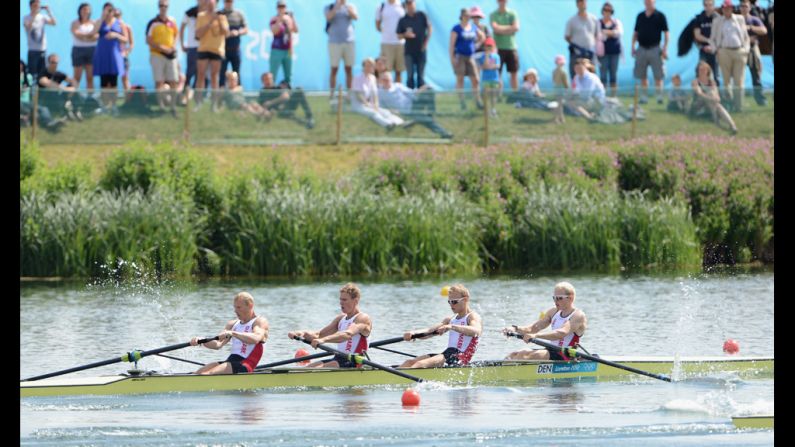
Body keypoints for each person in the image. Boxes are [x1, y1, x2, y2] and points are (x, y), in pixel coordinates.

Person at [287, 283, 372, 368]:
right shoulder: (341, 318)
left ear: (355, 301)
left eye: (344, 300)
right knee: (308, 368)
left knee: (317, 370)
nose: (341, 303)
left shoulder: (363, 318)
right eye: (340, 299)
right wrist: (301, 333)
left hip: (355, 362)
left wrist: (323, 340)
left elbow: (347, 335)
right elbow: (319, 335)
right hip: (338, 358)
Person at [400, 284, 483, 368]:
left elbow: (476, 331)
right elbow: (429, 332)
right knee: (409, 363)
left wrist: (451, 327)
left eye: (454, 301)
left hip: (460, 357)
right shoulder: (450, 319)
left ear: (465, 300)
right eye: (449, 302)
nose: (451, 305)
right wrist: (413, 334)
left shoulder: (472, 317)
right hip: (448, 354)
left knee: (420, 365)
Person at [503, 282, 587, 361]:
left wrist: (536, 335)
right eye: (554, 298)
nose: (555, 301)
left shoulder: (578, 315)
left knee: (524, 354)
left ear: (570, 298)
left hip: (566, 355)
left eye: (559, 298)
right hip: (551, 351)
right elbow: (533, 328)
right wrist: (515, 328)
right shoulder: (553, 312)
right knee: (513, 355)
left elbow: (561, 333)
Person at [189, 292, 269, 375]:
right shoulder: (232, 324)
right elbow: (217, 344)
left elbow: (256, 338)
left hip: (245, 365)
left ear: (250, 305)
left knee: (206, 374)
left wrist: (232, 333)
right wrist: (202, 340)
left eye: (239, 307)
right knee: (196, 374)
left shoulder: (259, 322)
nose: (235, 311)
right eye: (235, 307)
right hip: (231, 362)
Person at [378, 71, 453, 139]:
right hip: (407, 111)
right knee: (426, 120)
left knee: (430, 89)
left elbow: (411, 93)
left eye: (388, 79)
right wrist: (393, 112)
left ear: (391, 79)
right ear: (381, 81)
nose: (386, 81)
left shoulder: (398, 86)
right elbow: (382, 107)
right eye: (384, 80)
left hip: (414, 102)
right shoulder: (380, 92)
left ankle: (430, 114)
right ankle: (444, 133)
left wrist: (422, 89)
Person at [710, 0, 749, 112]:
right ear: (722, 9)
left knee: (739, 81)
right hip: (724, 52)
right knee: (726, 81)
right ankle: (729, 104)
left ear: (732, 8)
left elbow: (746, 37)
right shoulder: (717, 21)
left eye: (729, 8)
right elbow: (712, 39)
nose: (727, 10)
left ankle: (739, 107)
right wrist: (716, 50)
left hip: (739, 51)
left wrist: (745, 50)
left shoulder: (740, 19)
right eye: (725, 8)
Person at [92, 2, 128, 115]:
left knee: (113, 82)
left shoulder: (119, 23)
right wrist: (102, 18)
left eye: (110, 10)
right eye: (106, 10)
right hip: (102, 55)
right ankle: (104, 106)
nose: (108, 13)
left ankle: (113, 106)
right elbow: (93, 32)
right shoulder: (99, 21)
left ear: (114, 11)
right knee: (103, 82)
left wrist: (115, 35)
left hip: (114, 56)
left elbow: (125, 39)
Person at [631, 0, 669, 105]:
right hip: (642, 48)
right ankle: (644, 97)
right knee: (642, 76)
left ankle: (659, 96)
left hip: (655, 48)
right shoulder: (640, 16)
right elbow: (635, 32)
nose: (648, 2)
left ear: (654, 2)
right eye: (646, 1)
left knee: (658, 75)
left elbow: (666, 33)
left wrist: (665, 48)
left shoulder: (660, 16)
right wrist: (633, 46)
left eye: (650, 1)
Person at [350, 57, 405, 129]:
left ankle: (401, 123)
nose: (372, 67)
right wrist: (367, 104)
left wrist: (375, 104)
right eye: (369, 65)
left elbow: (374, 93)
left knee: (385, 112)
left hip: (369, 104)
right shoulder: (357, 78)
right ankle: (388, 124)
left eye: (373, 65)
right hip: (359, 106)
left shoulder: (372, 78)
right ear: (364, 67)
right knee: (373, 113)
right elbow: (358, 95)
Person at [146, 0, 180, 116]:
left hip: (171, 56)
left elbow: (176, 34)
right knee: (159, 81)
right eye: (161, 5)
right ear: (158, 7)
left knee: (174, 81)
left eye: (165, 6)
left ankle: (173, 106)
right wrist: (162, 48)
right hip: (157, 55)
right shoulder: (153, 22)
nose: (163, 8)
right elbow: (148, 40)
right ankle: (161, 106)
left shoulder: (172, 21)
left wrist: (173, 47)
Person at [195, 0, 229, 111]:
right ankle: (198, 102)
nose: (210, 7)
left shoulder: (222, 16)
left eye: (212, 5)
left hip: (217, 50)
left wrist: (218, 19)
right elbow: (198, 34)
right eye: (208, 5)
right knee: (200, 75)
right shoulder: (201, 16)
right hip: (204, 48)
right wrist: (210, 23)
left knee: (215, 76)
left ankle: (214, 104)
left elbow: (226, 33)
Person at [449, 8, 485, 111]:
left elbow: (482, 36)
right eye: (466, 15)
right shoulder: (457, 28)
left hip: (470, 57)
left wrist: (477, 44)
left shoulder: (473, 27)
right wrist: (452, 58)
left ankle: (477, 101)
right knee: (460, 79)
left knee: (476, 80)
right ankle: (462, 103)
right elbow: (451, 45)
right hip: (460, 56)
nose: (468, 17)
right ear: (462, 16)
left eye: (469, 15)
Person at [690, 60, 737, 134]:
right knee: (711, 96)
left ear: (708, 71)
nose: (702, 71)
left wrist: (714, 98)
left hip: (713, 105)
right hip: (699, 105)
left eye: (704, 69)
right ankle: (716, 121)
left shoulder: (712, 82)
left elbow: (717, 97)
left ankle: (732, 125)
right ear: (697, 71)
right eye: (701, 70)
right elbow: (700, 94)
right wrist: (712, 98)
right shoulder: (695, 82)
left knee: (717, 104)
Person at [325, 0, 358, 99]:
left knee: (349, 69)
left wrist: (347, 8)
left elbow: (356, 17)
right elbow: (328, 17)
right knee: (334, 69)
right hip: (334, 42)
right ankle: (331, 94)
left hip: (349, 41)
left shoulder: (350, 6)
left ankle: (349, 94)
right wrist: (337, 7)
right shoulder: (330, 6)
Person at [20, 59, 66, 131]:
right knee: (32, 113)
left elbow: (31, 89)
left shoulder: (28, 77)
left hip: (28, 102)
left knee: (43, 109)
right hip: (21, 103)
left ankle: (50, 123)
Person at [38, 53, 84, 122]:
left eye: (56, 62)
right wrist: (65, 89)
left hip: (59, 98)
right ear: (48, 63)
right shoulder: (43, 73)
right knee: (53, 92)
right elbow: (46, 82)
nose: (54, 64)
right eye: (52, 62)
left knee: (74, 90)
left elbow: (73, 81)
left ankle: (76, 110)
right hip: (46, 100)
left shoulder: (59, 74)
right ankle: (66, 111)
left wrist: (73, 89)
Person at [396, 0, 431, 90]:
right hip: (409, 51)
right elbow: (398, 35)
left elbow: (430, 28)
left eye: (411, 3)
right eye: (408, 4)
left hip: (421, 50)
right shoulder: (403, 20)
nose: (410, 6)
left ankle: (420, 100)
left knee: (421, 76)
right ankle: (410, 101)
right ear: (406, 6)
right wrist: (405, 35)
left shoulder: (421, 16)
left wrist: (425, 43)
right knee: (410, 76)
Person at [739, 0, 768, 106]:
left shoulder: (754, 19)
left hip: (752, 49)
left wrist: (751, 28)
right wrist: (746, 38)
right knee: (738, 76)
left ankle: (760, 99)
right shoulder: (736, 19)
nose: (744, 8)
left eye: (746, 6)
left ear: (750, 8)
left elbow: (764, 30)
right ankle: (738, 101)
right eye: (742, 6)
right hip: (739, 49)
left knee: (756, 75)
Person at [490, 0, 521, 96]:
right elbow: (495, 29)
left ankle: (515, 95)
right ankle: (498, 95)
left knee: (514, 72)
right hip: (497, 48)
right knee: (496, 73)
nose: (502, 2)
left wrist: (501, 28)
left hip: (511, 47)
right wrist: (509, 29)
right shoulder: (493, 14)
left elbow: (516, 28)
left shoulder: (512, 13)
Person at [565, 0, 599, 78]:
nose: (582, 4)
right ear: (577, 4)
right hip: (577, 54)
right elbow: (567, 36)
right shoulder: (571, 20)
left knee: (591, 77)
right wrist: (578, 47)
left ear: (586, 3)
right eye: (579, 2)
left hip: (590, 54)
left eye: (583, 1)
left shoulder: (594, 19)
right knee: (576, 77)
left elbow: (596, 35)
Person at [24, 0, 57, 80]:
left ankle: (39, 91)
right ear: (31, 6)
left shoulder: (42, 17)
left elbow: (54, 23)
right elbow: (28, 27)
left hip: (42, 50)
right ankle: (32, 91)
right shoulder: (26, 17)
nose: (37, 7)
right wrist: (34, 15)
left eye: (38, 5)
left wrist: (49, 11)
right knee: (31, 74)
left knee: (41, 74)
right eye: (35, 5)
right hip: (32, 50)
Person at [218, 0, 248, 88]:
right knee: (221, 74)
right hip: (223, 50)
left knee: (237, 73)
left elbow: (246, 29)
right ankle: (221, 98)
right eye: (227, 1)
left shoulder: (239, 14)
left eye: (230, 1)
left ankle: (238, 97)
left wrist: (237, 32)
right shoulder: (220, 14)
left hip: (235, 49)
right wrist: (224, 33)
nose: (228, 3)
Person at [375, 0, 406, 84]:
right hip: (386, 43)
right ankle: (384, 92)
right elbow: (377, 25)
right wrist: (387, 33)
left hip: (400, 43)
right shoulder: (381, 6)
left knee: (398, 71)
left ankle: (397, 92)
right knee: (385, 70)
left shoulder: (402, 5)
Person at [270, 0, 297, 88]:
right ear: (277, 8)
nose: (282, 9)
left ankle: (288, 94)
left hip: (288, 50)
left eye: (283, 7)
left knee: (289, 75)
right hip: (277, 49)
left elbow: (296, 30)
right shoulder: (274, 19)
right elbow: (274, 31)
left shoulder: (289, 19)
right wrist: (280, 19)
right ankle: (270, 94)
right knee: (272, 74)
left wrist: (292, 19)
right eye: (280, 7)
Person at [597, 2, 623, 97]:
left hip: (614, 52)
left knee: (613, 75)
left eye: (609, 10)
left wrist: (606, 32)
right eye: (605, 10)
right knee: (603, 75)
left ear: (612, 12)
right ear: (602, 11)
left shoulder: (616, 22)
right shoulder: (598, 22)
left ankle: (613, 96)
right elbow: (598, 34)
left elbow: (619, 33)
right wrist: (611, 33)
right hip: (602, 53)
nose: (607, 12)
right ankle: (603, 96)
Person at [70, 3, 97, 92]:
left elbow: (96, 36)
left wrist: (85, 37)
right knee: (77, 77)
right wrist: (89, 36)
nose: (85, 11)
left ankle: (90, 98)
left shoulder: (94, 23)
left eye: (87, 9)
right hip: (78, 50)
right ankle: (73, 98)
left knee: (90, 77)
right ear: (80, 11)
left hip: (91, 50)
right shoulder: (75, 23)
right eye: (83, 9)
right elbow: (76, 34)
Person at [693, 0, 720, 85]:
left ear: (713, 5)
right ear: (704, 6)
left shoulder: (718, 18)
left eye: (710, 5)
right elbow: (697, 35)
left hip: (715, 50)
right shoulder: (699, 18)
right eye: (706, 5)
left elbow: (720, 34)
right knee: (701, 72)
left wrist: (713, 46)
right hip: (703, 50)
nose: (708, 7)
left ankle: (716, 96)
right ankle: (700, 96)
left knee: (715, 75)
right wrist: (708, 41)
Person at [180, 1, 202, 105]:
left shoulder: (208, 12)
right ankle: (185, 96)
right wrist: (182, 44)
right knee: (190, 73)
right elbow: (182, 28)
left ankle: (195, 97)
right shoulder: (190, 12)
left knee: (200, 75)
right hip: (192, 47)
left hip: (204, 48)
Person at [477, 37, 501, 117]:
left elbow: (497, 66)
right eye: (487, 46)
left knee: (493, 95)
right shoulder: (482, 56)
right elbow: (483, 67)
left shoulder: (496, 56)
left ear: (493, 47)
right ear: (485, 47)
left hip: (494, 79)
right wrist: (487, 57)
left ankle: (493, 109)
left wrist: (489, 66)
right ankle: (486, 110)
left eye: (490, 46)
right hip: (485, 79)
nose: (489, 48)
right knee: (486, 95)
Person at [115, 9, 133, 92]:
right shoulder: (110, 27)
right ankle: (112, 102)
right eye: (115, 15)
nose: (116, 17)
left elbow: (131, 43)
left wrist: (126, 52)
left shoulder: (127, 27)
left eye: (118, 15)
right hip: (113, 56)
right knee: (112, 79)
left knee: (125, 78)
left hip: (123, 56)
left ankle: (128, 100)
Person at [552, 54, 570, 124]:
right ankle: (559, 118)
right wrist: (567, 89)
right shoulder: (563, 72)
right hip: (561, 89)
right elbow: (565, 83)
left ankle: (560, 118)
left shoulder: (554, 71)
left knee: (558, 104)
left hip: (556, 88)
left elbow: (553, 80)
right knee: (560, 105)